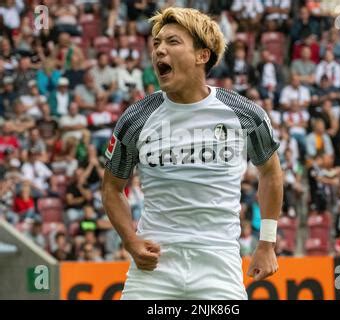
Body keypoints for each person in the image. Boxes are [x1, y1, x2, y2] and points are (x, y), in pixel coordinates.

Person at [102, 7, 283, 300]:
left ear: (203, 55)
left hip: (218, 265)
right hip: (155, 267)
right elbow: (111, 188)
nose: (160, 50)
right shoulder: (135, 118)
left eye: (172, 42)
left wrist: (266, 244)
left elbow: (271, 173)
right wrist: (130, 240)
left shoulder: (245, 114)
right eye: (157, 43)